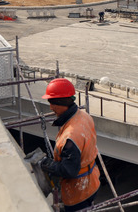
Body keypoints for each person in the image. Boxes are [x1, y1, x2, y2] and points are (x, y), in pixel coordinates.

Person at [40, 78, 100, 211]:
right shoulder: (83, 116)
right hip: (92, 180)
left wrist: (47, 163)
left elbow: (69, 170)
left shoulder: (71, 137)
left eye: (52, 102)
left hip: (78, 192)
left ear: (61, 103)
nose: (50, 107)